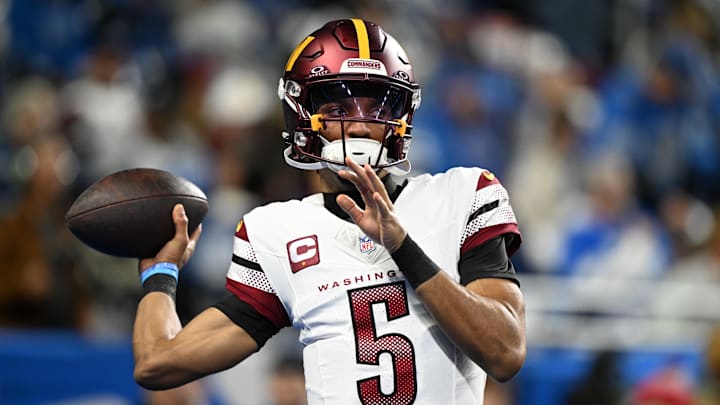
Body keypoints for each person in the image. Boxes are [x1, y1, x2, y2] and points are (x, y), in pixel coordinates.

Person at [132, 18, 526, 404]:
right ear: (302, 116)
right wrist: (160, 275)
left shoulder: (462, 194)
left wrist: (402, 246)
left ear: (400, 119)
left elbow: (505, 352)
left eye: (374, 109)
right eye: (338, 110)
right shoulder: (276, 231)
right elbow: (157, 363)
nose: (357, 127)